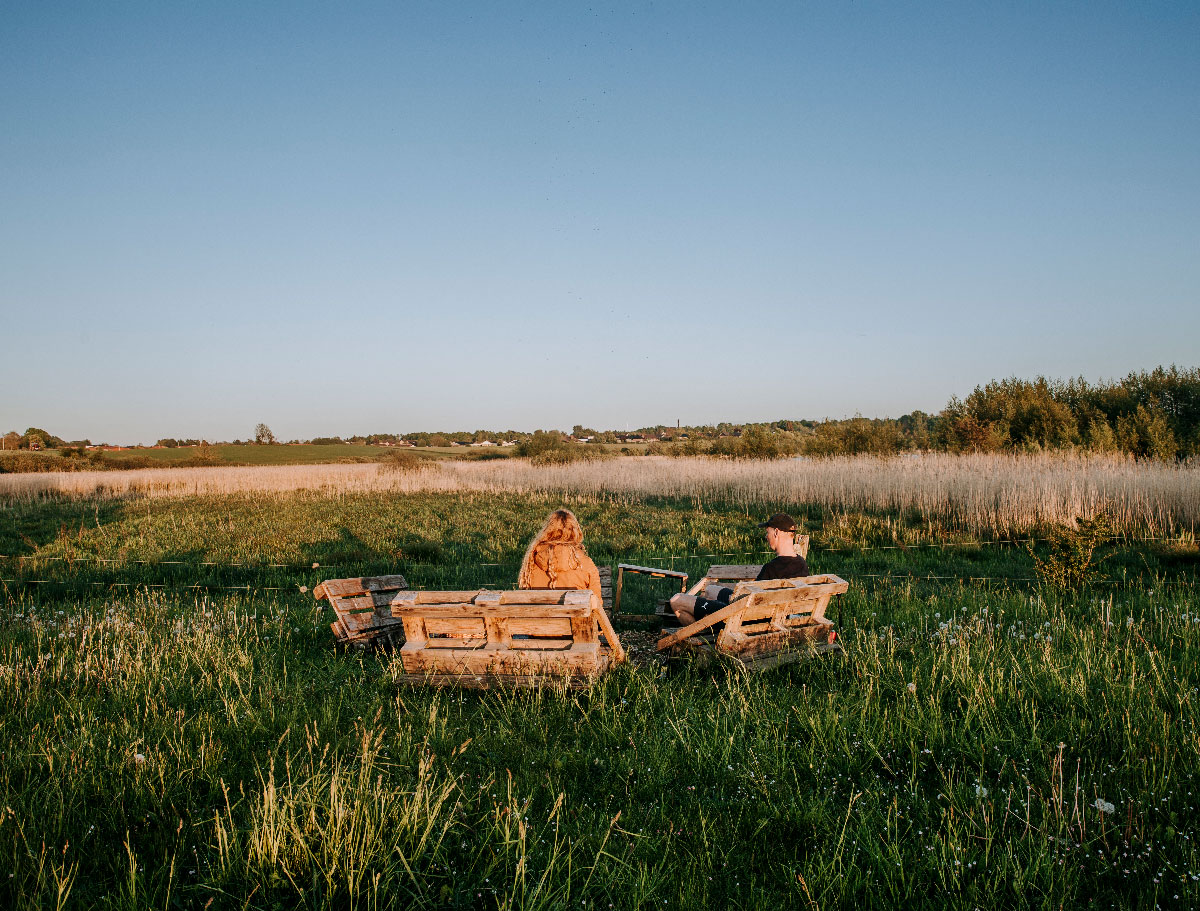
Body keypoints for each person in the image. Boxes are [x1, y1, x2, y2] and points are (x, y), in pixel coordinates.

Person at [667, 513, 810, 626]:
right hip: (770, 614)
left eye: (768, 532)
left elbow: (748, 605)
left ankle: (702, 637)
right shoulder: (801, 564)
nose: (766, 537)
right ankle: (707, 615)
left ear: (777, 532)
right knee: (710, 590)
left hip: (742, 620)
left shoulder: (771, 569)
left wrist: (733, 599)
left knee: (676, 600)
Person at [517, 508, 604, 601]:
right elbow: (596, 604)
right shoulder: (585, 564)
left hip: (539, 615)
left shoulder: (530, 563)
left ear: (547, 531)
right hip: (575, 615)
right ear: (575, 532)